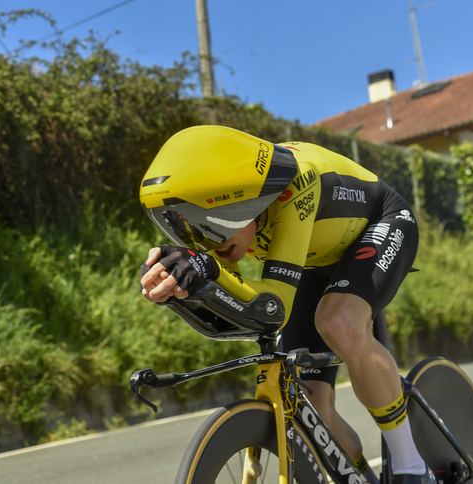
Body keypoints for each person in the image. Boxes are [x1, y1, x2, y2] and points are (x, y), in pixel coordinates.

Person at [139, 125, 434, 484]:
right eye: (187, 230)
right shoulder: (235, 222)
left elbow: (275, 302)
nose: (201, 240)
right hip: (315, 256)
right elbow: (249, 300)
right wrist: (186, 282)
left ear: (242, 200)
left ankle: (411, 466)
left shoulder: (297, 184)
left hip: (381, 221)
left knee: (339, 322)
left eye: (206, 224)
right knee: (312, 405)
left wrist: (210, 269)